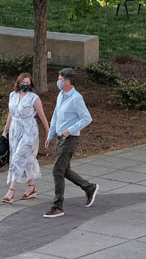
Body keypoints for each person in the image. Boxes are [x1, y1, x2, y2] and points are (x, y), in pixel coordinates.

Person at [43, 68, 98, 218]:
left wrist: (69, 130)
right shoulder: (61, 95)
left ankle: (58, 206)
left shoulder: (76, 98)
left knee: (57, 171)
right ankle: (89, 187)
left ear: (67, 82)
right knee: (64, 170)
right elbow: (55, 115)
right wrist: (50, 134)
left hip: (69, 140)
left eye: (60, 79)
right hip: (60, 139)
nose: (58, 81)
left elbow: (87, 118)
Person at [1, 72, 50, 203]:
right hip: (15, 131)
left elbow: (42, 116)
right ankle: (31, 188)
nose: (25, 86)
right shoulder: (13, 95)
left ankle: (11, 192)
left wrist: (48, 132)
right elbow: (10, 115)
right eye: (23, 83)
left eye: (27, 84)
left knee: (17, 158)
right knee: (26, 159)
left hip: (29, 131)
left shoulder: (34, 98)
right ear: (18, 83)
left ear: (31, 84)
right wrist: (4, 132)